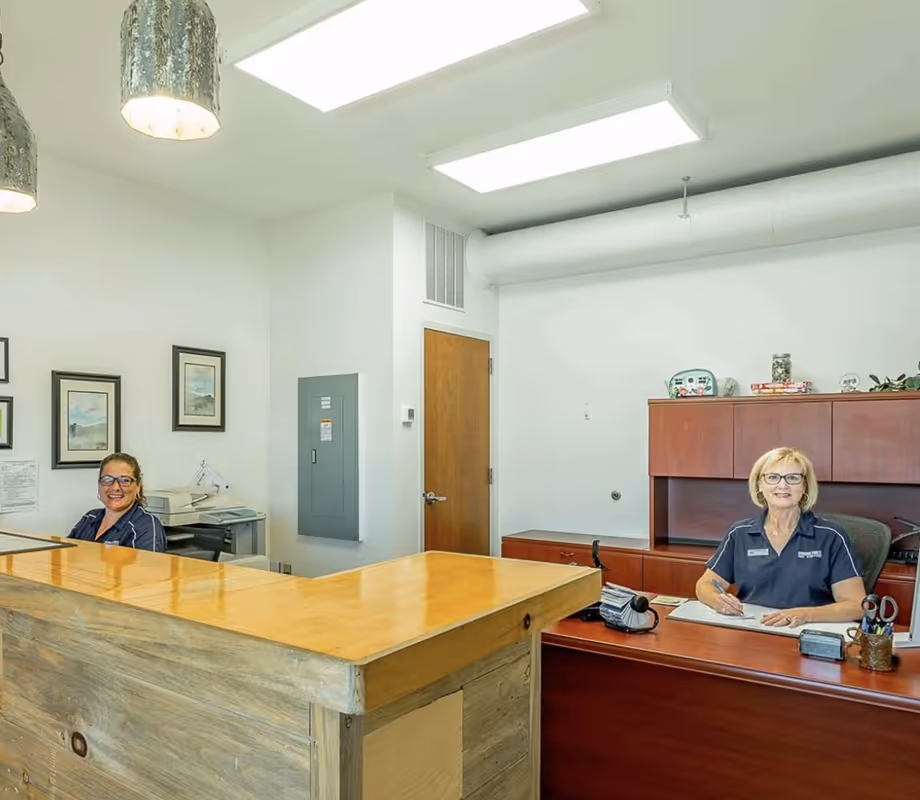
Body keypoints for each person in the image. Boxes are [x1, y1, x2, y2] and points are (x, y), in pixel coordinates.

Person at [695, 446, 865, 627]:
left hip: (808, 631)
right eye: (773, 477)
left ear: (804, 485)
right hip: (752, 628)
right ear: (760, 484)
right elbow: (704, 585)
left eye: (792, 478)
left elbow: (857, 606)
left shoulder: (831, 537)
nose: (782, 485)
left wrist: (806, 614)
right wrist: (717, 600)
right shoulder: (740, 533)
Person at [68, 452, 167, 552]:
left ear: (138, 486)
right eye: (107, 479)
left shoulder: (146, 526)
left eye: (125, 480)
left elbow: (147, 567)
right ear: (99, 485)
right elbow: (64, 556)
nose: (115, 487)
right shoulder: (89, 518)